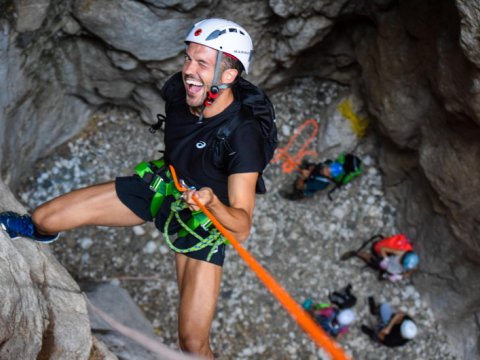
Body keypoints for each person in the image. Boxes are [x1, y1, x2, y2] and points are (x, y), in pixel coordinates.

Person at [0, 18, 274, 359]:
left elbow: (243, 226)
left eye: (202, 63)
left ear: (228, 75)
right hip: (163, 186)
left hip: (202, 221)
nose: (188, 70)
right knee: (44, 219)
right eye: (188, 58)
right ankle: (32, 230)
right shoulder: (180, 90)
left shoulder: (243, 135)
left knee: (191, 343)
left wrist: (210, 203)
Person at [355, 234, 419, 282]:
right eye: (401, 260)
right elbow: (383, 249)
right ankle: (357, 253)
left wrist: (399, 277)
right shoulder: (400, 253)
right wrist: (385, 259)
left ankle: (385, 275)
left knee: (386, 275)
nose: (400, 260)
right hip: (388, 261)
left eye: (401, 262)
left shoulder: (411, 264)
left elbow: (409, 272)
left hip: (393, 268)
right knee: (374, 261)